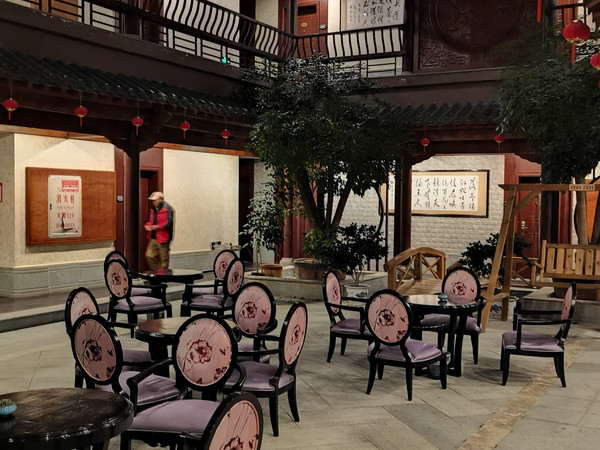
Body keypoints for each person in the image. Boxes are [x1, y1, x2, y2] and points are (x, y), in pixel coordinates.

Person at [144, 192, 174, 270]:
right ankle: (156, 272)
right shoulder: (153, 209)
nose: (153, 202)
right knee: (149, 255)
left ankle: (162, 275)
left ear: (161, 199)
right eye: (152, 201)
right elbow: (150, 220)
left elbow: (169, 223)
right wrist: (148, 225)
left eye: (155, 200)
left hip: (163, 238)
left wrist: (158, 227)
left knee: (164, 260)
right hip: (153, 237)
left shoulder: (168, 209)